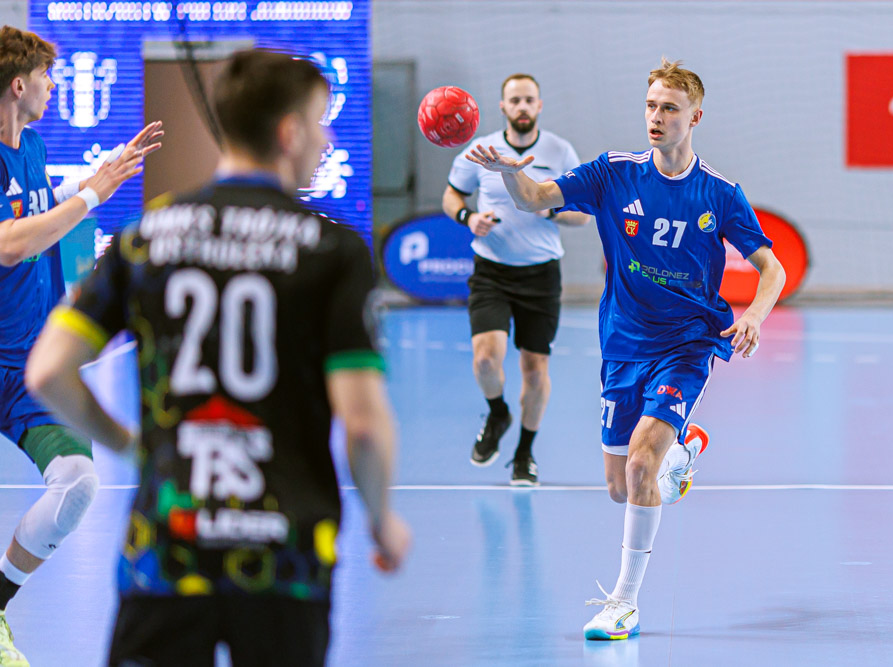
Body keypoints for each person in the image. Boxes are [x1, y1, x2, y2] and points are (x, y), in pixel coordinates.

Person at [25, 49, 410, 665]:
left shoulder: (147, 237)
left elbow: (48, 371)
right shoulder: (332, 250)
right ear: (288, 133)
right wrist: (382, 519)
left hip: (167, 548)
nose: (327, 140)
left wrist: (131, 444)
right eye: (319, 123)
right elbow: (363, 424)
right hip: (285, 554)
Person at [467, 58, 786, 639]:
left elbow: (772, 267)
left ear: (695, 117)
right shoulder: (613, 173)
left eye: (670, 108)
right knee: (623, 487)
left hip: (687, 344)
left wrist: (755, 316)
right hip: (623, 344)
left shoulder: (720, 194)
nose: (656, 117)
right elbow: (536, 198)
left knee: (641, 463)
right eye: (650, 106)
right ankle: (682, 455)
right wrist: (511, 174)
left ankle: (624, 603)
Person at [0, 25, 162, 666]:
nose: (54, 85)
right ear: (19, 85)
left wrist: (92, 182)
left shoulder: (31, 145)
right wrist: (95, 195)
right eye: (47, 76)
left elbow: (35, 205)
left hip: (29, 365)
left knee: (77, 484)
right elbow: (12, 243)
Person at [443, 73, 591, 486]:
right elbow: (452, 195)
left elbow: (583, 213)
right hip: (491, 271)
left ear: (539, 105)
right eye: (515, 100)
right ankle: (497, 413)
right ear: (503, 107)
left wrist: (548, 208)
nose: (522, 107)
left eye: (529, 100)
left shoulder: (559, 152)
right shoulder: (480, 151)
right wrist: (468, 217)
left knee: (534, 370)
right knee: (485, 359)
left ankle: (525, 453)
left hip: (540, 275)